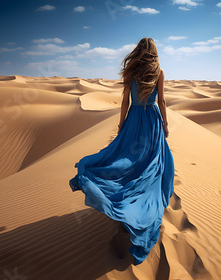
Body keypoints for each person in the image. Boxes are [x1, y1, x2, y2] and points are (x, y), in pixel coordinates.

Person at [69, 37, 175, 265]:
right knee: (151, 163)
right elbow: (163, 101)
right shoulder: (159, 72)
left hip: (134, 118)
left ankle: (120, 196)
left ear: (139, 51)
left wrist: (121, 124)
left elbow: (125, 101)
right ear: (154, 52)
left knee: (129, 160)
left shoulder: (130, 71)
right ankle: (139, 204)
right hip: (152, 120)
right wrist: (165, 123)